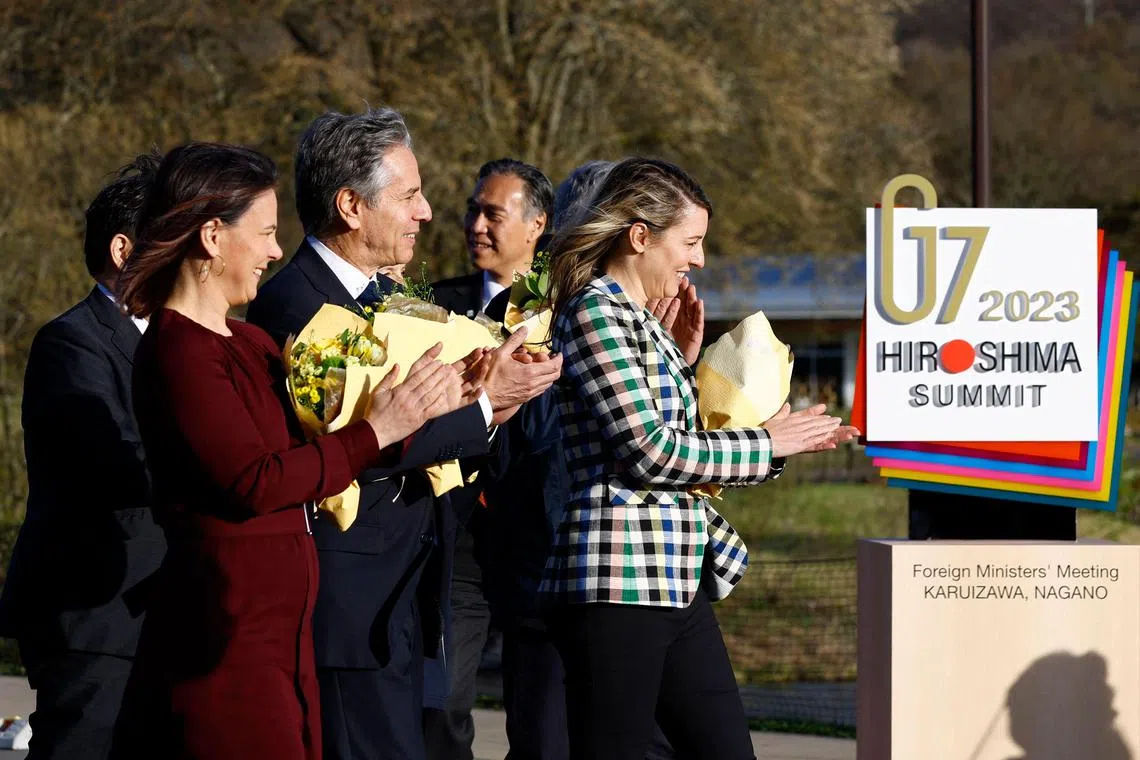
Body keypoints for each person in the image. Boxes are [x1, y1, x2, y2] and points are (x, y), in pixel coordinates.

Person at [109, 142, 467, 760]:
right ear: (214, 238)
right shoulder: (179, 351)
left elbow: (325, 450)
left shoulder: (250, 344)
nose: (278, 251)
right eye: (267, 233)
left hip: (281, 630)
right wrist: (377, 430)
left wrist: (457, 398)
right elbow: (257, 480)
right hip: (225, 633)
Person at [246, 107, 560, 760]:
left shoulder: (383, 301)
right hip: (349, 605)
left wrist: (485, 399)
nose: (426, 213)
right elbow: (357, 442)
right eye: (410, 195)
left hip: (402, 600)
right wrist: (480, 409)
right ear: (352, 206)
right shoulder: (295, 305)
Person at [542, 156, 858, 760]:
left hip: (673, 575)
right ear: (641, 237)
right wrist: (767, 444)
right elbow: (649, 450)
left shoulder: (640, 319)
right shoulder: (593, 312)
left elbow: (672, 437)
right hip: (616, 582)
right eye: (690, 242)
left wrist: (769, 436)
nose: (699, 259)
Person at [0, 153, 165, 760]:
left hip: (155, 610)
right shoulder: (70, 343)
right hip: (94, 618)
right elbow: (115, 463)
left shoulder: (180, 343)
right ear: (124, 252)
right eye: (172, 237)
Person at [425, 158, 554, 760]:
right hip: (459, 542)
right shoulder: (431, 307)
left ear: (536, 225)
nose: (476, 225)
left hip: (539, 545)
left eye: (493, 214)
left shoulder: (575, 312)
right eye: (473, 211)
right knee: (442, 704)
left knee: (541, 723)